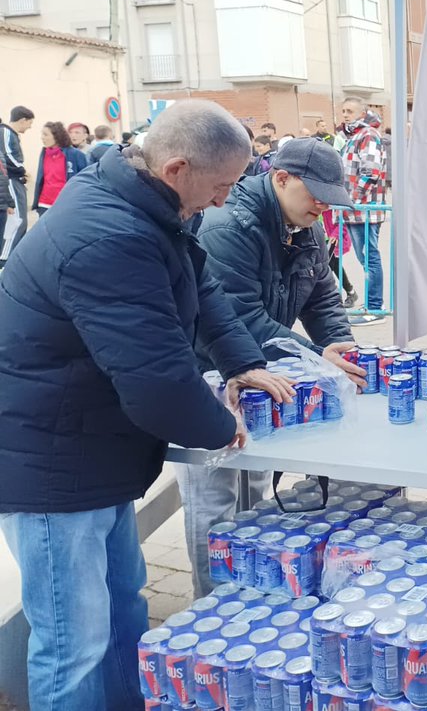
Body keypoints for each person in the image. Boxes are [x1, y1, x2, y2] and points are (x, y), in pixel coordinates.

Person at [0, 100, 292, 709]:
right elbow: (157, 379)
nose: (222, 202)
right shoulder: (110, 236)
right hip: (52, 461)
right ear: (179, 167)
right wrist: (220, 425)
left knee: (125, 608)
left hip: (94, 450)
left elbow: (202, 287)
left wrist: (245, 363)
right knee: (73, 642)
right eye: (221, 187)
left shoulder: (145, 201)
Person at [182, 137, 365, 596]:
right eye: (316, 193)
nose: (324, 206)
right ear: (280, 179)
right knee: (214, 499)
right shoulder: (228, 226)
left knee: (257, 487)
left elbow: (322, 294)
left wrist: (338, 345)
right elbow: (236, 316)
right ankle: (213, 606)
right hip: (208, 377)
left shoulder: (307, 225)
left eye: (330, 196)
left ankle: (253, 590)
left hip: (266, 374)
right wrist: (309, 354)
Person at [340, 96, 388, 321]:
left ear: (362, 113)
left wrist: (353, 199)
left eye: (350, 111)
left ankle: (375, 307)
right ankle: (371, 305)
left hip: (364, 210)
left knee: (370, 259)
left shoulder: (368, 135)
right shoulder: (354, 136)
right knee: (365, 259)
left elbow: (371, 171)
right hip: (355, 210)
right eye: (343, 111)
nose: (345, 115)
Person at [32, 121, 89, 215]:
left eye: (45, 134)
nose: (42, 137)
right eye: (42, 134)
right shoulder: (44, 153)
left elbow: (85, 179)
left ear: (57, 136)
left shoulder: (75, 154)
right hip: (44, 204)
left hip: (66, 203)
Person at [1, 105, 34, 254]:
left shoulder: (10, 134)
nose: (30, 127)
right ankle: (6, 258)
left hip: (15, 180)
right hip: (12, 181)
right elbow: (7, 156)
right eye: (29, 123)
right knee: (17, 221)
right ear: (22, 120)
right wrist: (23, 170)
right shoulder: (6, 132)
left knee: (19, 221)